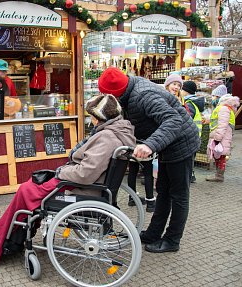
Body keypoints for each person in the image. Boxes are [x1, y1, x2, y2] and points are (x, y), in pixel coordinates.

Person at [0, 94, 136, 266]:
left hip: (81, 189)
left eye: (91, 116)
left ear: (100, 117)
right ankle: (10, 237)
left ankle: (3, 240)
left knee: (26, 190)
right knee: (32, 185)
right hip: (89, 185)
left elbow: (85, 173)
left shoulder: (107, 138)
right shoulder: (120, 132)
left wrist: (61, 172)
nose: (90, 119)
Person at [98, 67, 200, 253]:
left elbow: (173, 120)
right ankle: (153, 233)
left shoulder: (144, 95)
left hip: (182, 142)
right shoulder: (130, 92)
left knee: (178, 195)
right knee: (162, 189)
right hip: (167, 144)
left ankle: (172, 240)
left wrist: (149, 145)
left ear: (116, 93)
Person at [206, 94, 240, 182]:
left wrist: (217, 138)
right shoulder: (228, 109)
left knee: (220, 157)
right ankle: (219, 175)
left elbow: (222, 125)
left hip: (221, 137)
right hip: (225, 137)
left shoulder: (224, 109)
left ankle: (219, 176)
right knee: (220, 156)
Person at [180, 80, 205, 183]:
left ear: (186, 91)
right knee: (190, 158)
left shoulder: (189, 104)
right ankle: (191, 175)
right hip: (195, 135)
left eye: (182, 88)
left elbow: (186, 119)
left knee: (188, 159)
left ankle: (189, 176)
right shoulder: (193, 103)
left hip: (190, 136)